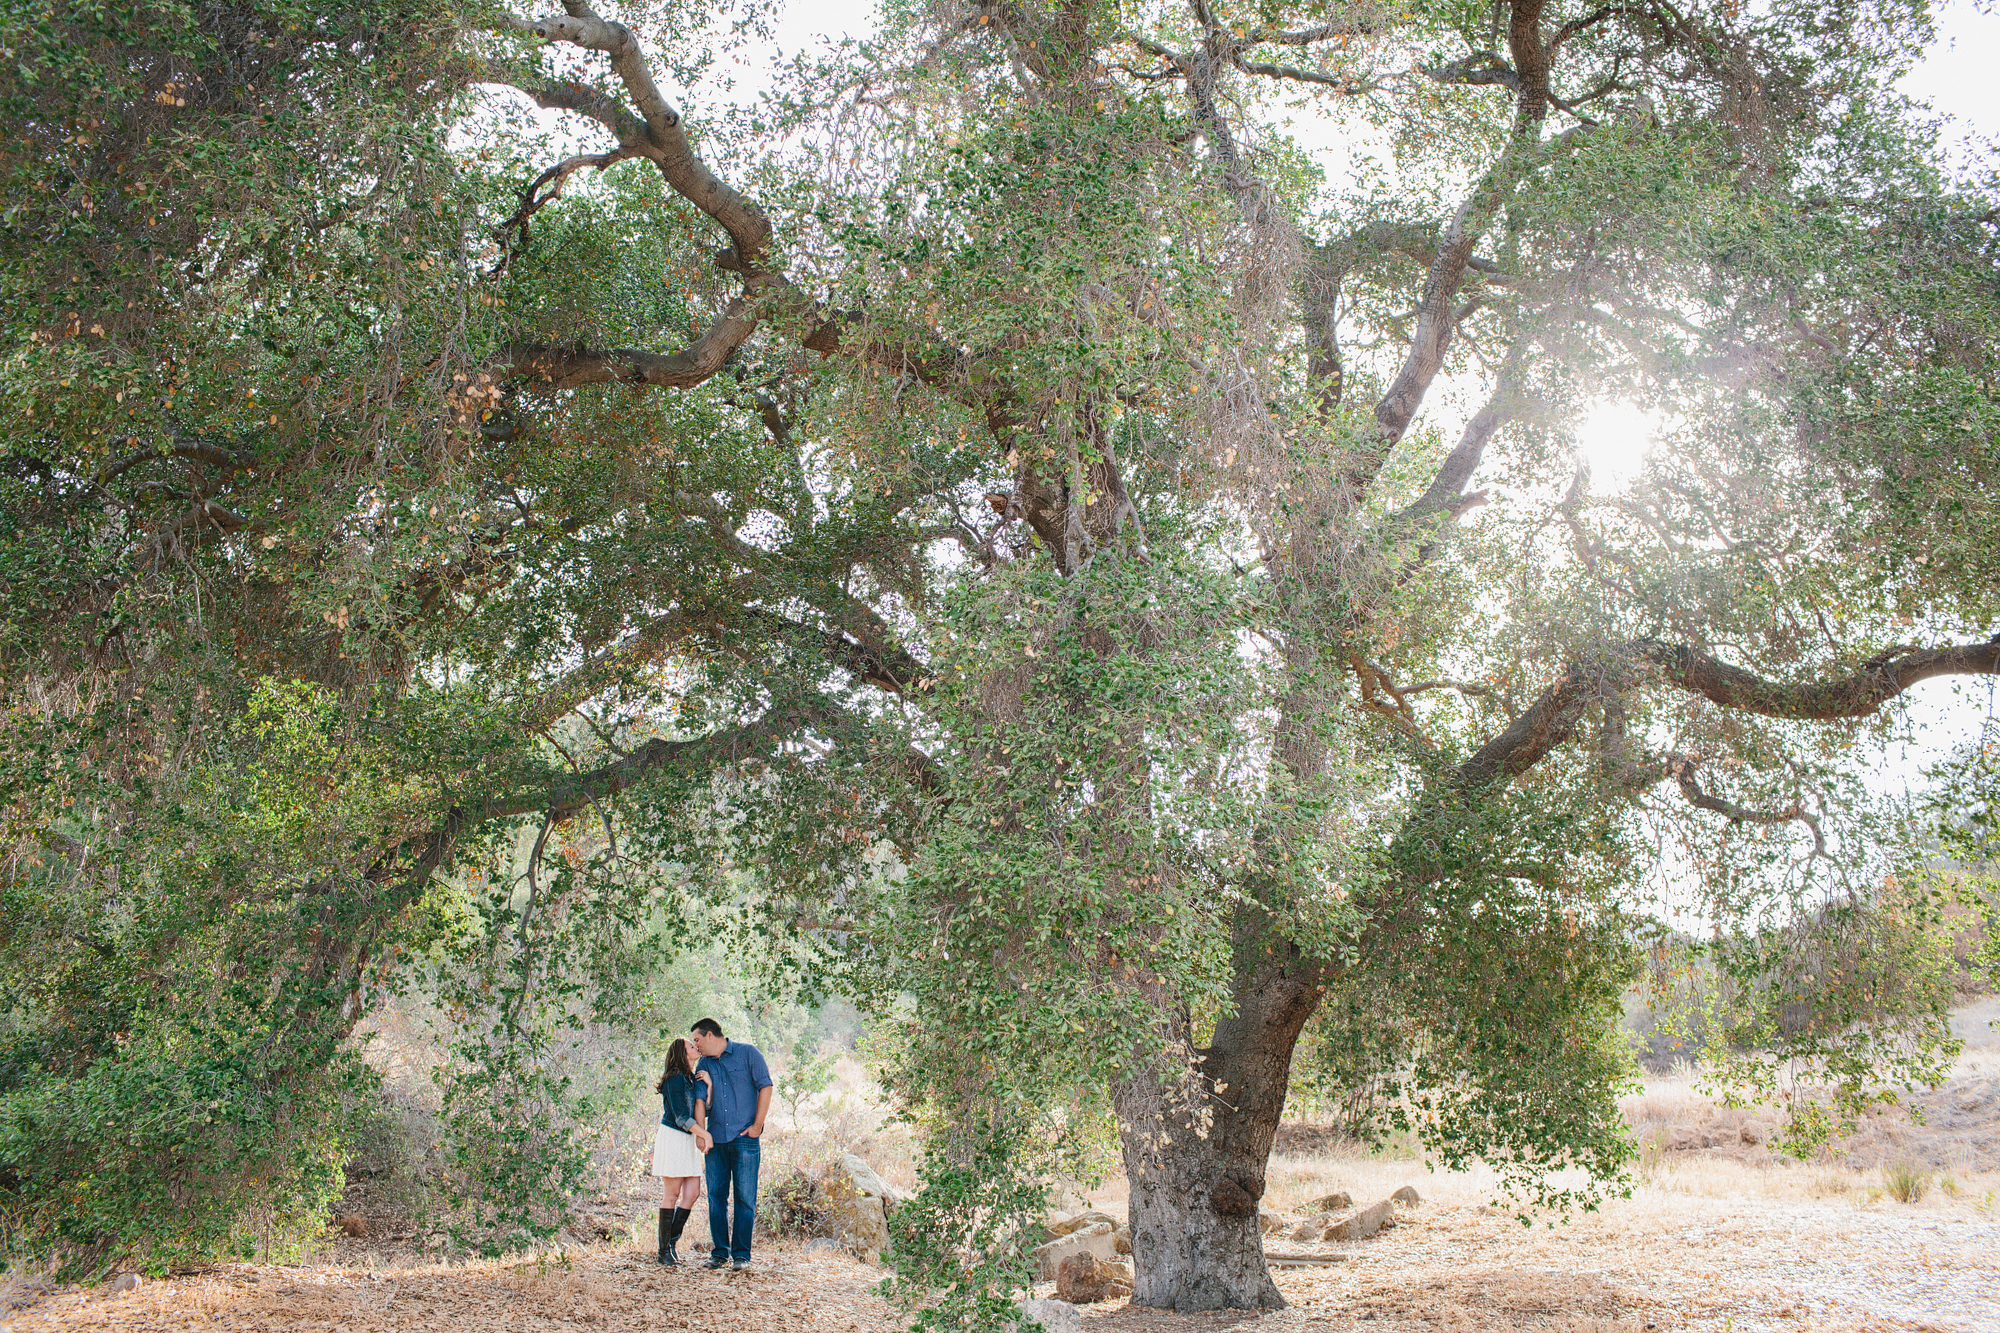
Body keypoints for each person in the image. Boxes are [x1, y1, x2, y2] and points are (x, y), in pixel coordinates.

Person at [689, 1017, 773, 1270]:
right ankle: (719, 1253)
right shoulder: (703, 1063)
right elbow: (700, 1099)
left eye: (697, 1040)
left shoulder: (748, 1053)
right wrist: (701, 1134)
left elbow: (765, 1087)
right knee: (716, 1197)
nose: (696, 1046)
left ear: (710, 1035)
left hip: (744, 1139)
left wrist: (757, 1126)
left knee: (745, 1198)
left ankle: (741, 1256)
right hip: (716, 1140)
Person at [651, 1038, 713, 1265]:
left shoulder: (690, 1078)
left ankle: (672, 1243)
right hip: (675, 1137)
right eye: (691, 1046)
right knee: (672, 1193)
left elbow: (702, 1111)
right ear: (681, 1052)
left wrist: (710, 1087)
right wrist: (704, 1135)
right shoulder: (675, 1078)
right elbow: (680, 1117)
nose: (696, 1047)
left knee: (693, 1193)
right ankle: (663, 1251)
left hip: (688, 1139)